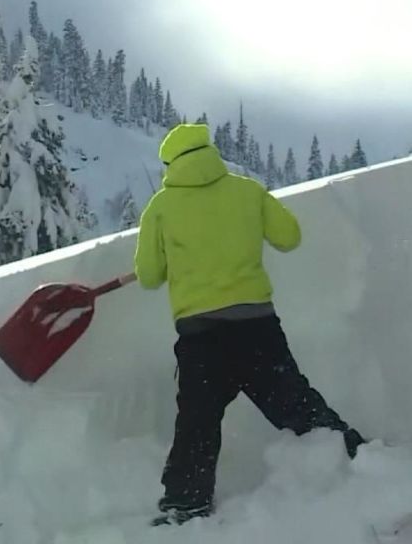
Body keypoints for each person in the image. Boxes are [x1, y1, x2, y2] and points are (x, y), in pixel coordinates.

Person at [133, 123, 366, 526]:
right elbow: (289, 236)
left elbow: (150, 276)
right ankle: (356, 455)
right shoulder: (247, 190)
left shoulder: (161, 207)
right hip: (256, 328)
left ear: (170, 163)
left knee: (197, 421)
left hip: (201, 336)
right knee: (295, 401)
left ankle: (185, 505)